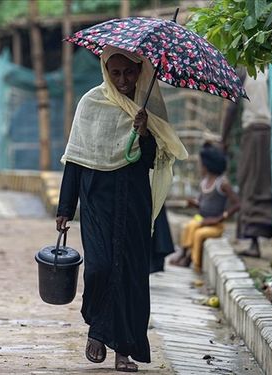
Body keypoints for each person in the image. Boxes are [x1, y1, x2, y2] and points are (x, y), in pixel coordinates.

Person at [56, 46, 187, 372]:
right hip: (96, 199)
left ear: (139, 71)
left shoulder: (148, 107)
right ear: (106, 71)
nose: (123, 79)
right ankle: (98, 329)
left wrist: (144, 133)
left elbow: (151, 161)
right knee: (99, 268)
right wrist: (64, 207)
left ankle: (123, 350)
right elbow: (76, 158)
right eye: (115, 73)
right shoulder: (90, 103)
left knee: (130, 276)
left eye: (129, 72)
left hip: (132, 201)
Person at [221, 68, 272, 257]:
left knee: (251, 185)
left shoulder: (247, 72)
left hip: (255, 133)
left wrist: (223, 138)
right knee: (267, 185)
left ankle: (253, 242)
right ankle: (265, 237)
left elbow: (232, 108)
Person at [170, 143, 240, 272]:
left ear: (208, 165)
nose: (199, 167)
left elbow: (237, 204)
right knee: (190, 226)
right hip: (202, 219)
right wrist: (194, 204)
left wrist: (220, 218)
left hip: (215, 225)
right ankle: (184, 252)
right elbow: (202, 203)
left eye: (201, 164)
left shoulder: (222, 183)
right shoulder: (204, 182)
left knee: (199, 234)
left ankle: (193, 261)